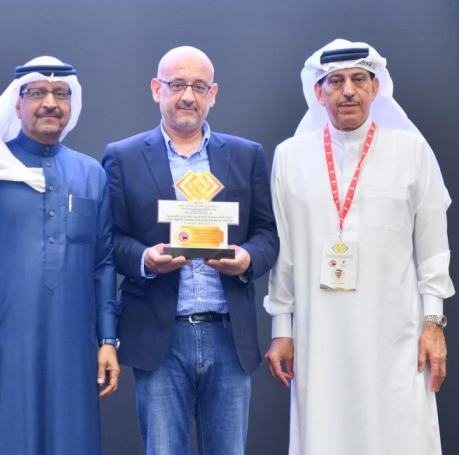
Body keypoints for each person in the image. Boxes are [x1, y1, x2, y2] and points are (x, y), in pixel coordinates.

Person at [264, 39, 454, 455]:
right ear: (319, 93)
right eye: (336, 81)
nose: (348, 91)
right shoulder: (290, 158)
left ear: (375, 87)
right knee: (324, 432)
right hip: (318, 334)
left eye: (358, 79)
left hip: (398, 337)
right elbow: (284, 254)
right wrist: (281, 329)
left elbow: (433, 249)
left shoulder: (412, 151)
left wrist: (433, 323)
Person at [102, 46, 279, 454]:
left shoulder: (246, 155)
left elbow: (267, 233)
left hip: (228, 336)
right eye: (177, 84)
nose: (188, 96)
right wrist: (144, 260)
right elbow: (110, 238)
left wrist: (248, 259)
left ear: (213, 94)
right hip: (160, 338)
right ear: (156, 89)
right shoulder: (123, 157)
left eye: (199, 87)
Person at [0, 56, 121, 455]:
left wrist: (107, 340)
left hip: (73, 349)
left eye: (61, 94)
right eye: (38, 93)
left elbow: (102, 263)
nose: (50, 103)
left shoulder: (90, 174)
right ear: (17, 103)